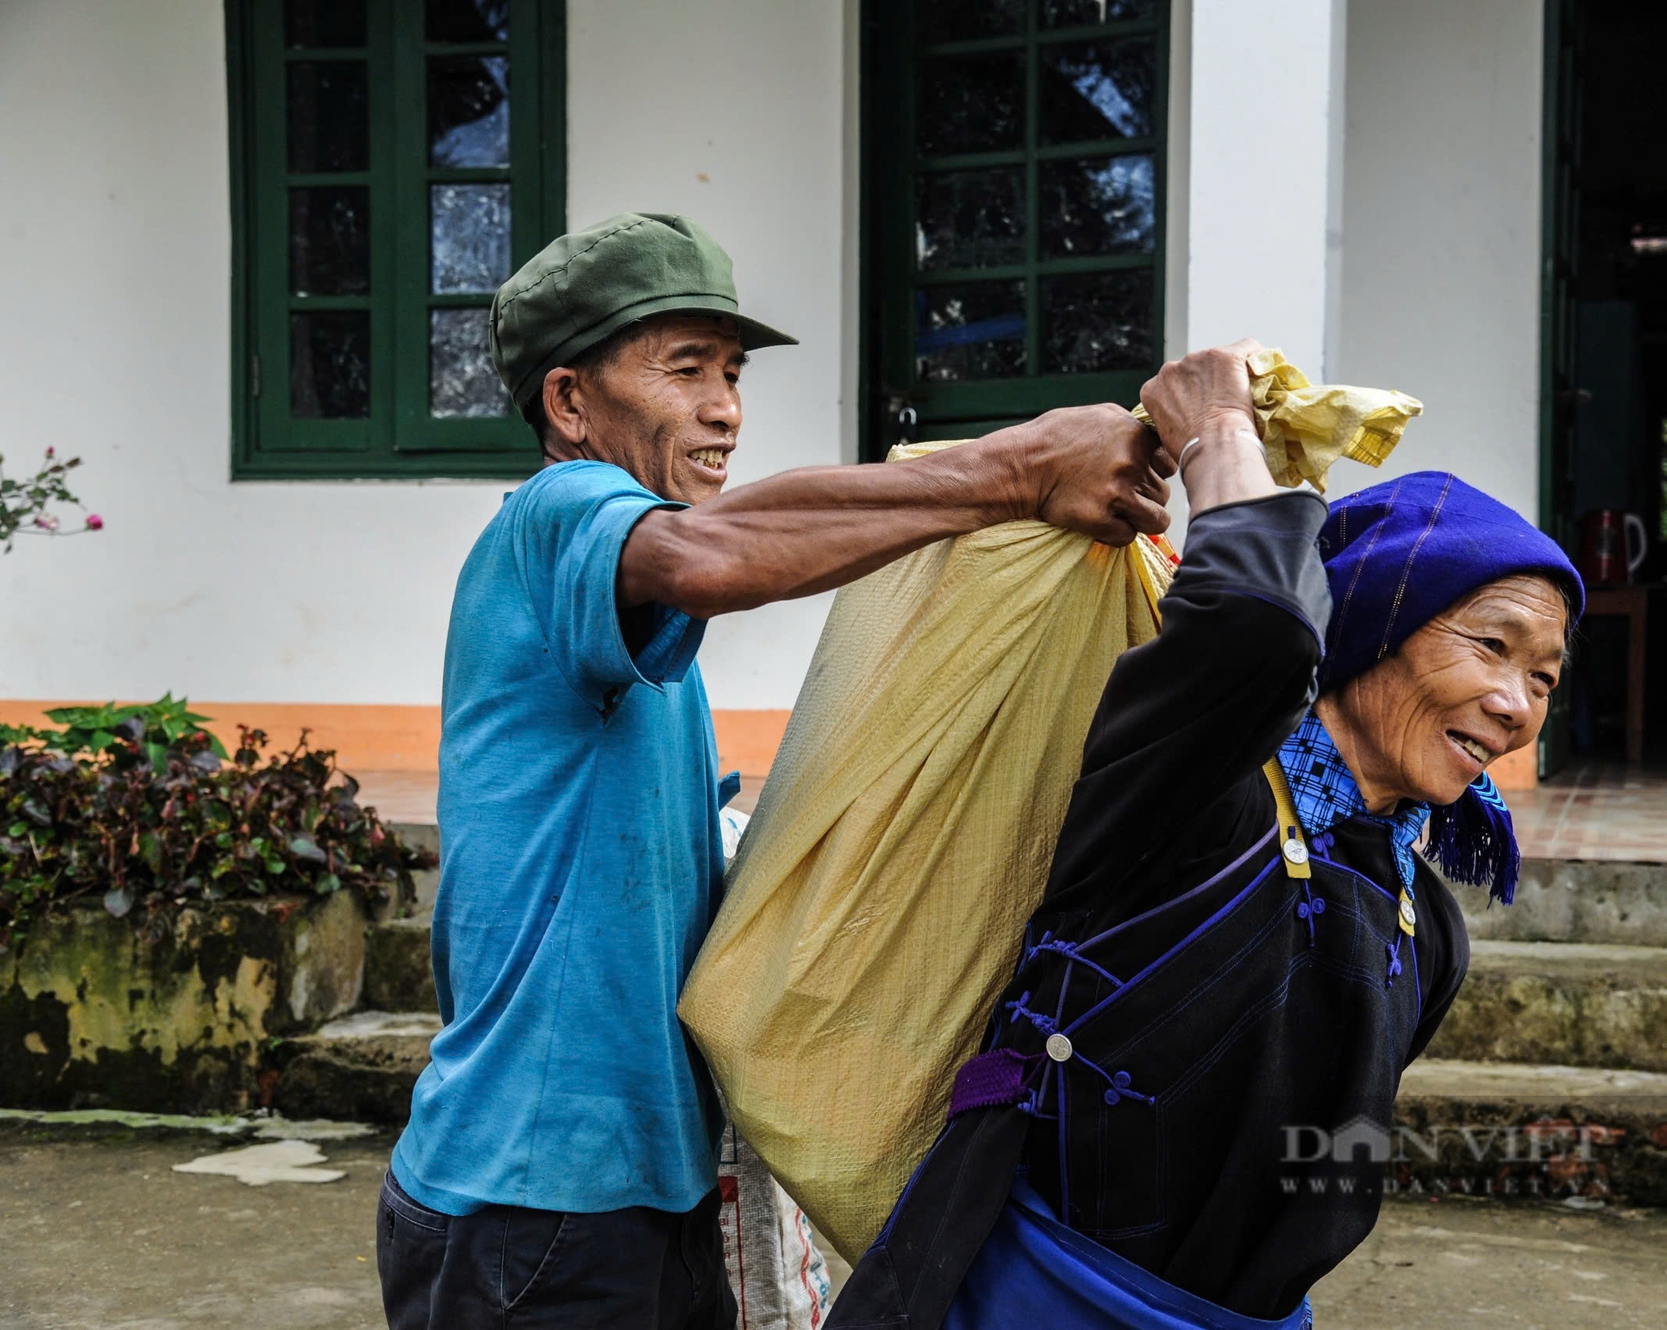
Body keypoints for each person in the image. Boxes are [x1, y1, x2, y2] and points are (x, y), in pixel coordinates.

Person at [374, 212, 1194, 1330]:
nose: (725, 408)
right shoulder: (558, 516)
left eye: (732, 372)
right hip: (532, 1201)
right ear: (568, 403)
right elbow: (712, 556)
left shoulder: (634, 642)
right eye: (683, 370)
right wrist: (1014, 470)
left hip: (637, 1192)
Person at [830, 343, 1585, 1329]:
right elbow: (1257, 630)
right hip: (1036, 1296)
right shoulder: (1189, 790)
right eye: (1491, 643)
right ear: (1365, 621)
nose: (1514, 703)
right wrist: (1216, 435)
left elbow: (1318, 1164)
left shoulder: (1425, 926)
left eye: (1542, 678)